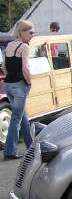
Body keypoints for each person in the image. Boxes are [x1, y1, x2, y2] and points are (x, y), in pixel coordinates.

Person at [2, 20, 34, 160]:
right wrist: (29, 82)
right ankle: (9, 151)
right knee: (16, 119)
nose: (32, 35)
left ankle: (31, 147)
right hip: (20, 85)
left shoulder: (9, 45)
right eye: (30, 32)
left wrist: (10, 77)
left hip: (8, 84)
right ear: (22, 32)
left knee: (22, 117)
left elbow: (4, 67)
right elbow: (25, 68)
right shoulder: (24, 47)